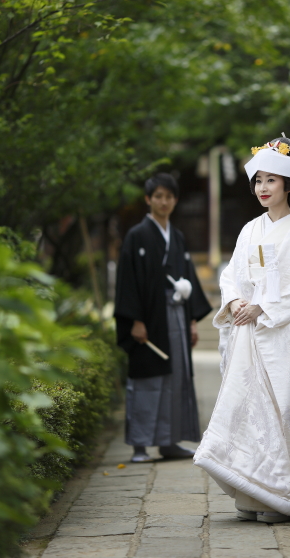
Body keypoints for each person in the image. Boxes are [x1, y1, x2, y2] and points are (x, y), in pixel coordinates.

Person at [194, 135, 290, 523]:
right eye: (258, 180)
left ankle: (285, 497)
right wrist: (234, 303)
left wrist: (262, 306)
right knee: (248, 410)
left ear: (289, 185)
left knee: (283, 410)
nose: (263, 188)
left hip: (286, 334)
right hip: (249, 331)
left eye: (272, 180)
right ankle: (252, 492)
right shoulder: (250, 229)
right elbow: (232, 274)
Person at [115, 172, 212, 463]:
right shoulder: (137, 236)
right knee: (147, 379)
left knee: (177, 376)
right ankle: (141, 445)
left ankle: (170, 441)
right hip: (149, 318)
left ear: (175, 200)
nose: (164, 201)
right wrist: (135, 320)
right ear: (148, 200)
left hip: (177, 317)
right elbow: (127, 281)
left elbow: (188, 279)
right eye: (158, 196)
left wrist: (192, 320)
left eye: (169, 197)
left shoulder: (178, 237)